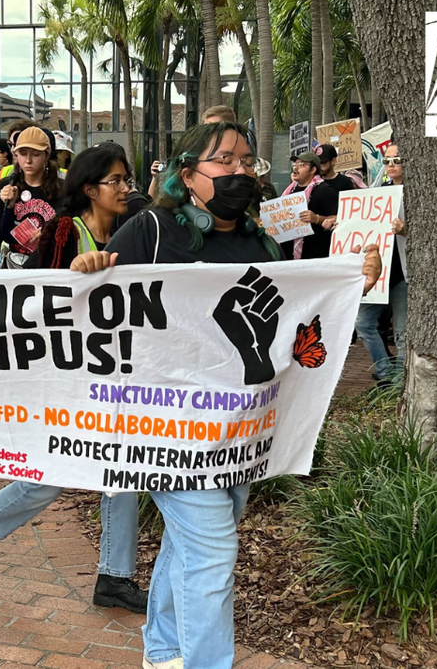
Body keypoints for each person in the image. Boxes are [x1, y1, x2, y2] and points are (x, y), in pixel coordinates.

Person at [68, 121, 382, 669]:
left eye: (246, 161)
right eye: (223, 160)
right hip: (162, 428)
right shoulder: (151, 229)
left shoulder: (260, 238)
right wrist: (86, 269)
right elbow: (90, 309)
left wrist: (355, 277)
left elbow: (295, 315)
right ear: (188, 175)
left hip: (238, 429)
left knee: (189, 543)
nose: (239, 170)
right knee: (212, 548)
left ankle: (162, 649)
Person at [0, 145, 150, 614]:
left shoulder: (128, 233)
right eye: (117, 181)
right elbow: (36, 301)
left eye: (127, 180)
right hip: (66, 377)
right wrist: (72, 274)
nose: (126, 188)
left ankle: (114, 578)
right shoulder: (64, 232)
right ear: (90, 189)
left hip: (112, 374)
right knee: (56, 471)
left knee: (122, 469)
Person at [356, 144, 409, 384]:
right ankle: (387, 373)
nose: (391, 165)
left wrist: (406, 230)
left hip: (403, 273)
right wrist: (343, 224)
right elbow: (360, 222)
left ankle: (403, 382)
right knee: (363, 323)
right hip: (378, 274)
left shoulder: (419, 193)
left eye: (397, 160)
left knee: (402, 332)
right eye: (387, 161)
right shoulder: (378, 192)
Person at [0, 126, 61, 267]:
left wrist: (49, 234)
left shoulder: (61, 188)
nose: (28, 161)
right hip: (15, 265)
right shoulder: (8, 184)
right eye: (23, 154)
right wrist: (9, 208)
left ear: (47, 155)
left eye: (35, 155)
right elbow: (3, 235)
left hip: (48, 265)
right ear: (16, 154)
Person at [292, 143, 354, 260]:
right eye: (295, 164)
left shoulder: (325, 190)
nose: (296, 168)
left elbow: (343, 218)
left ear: (313, 170)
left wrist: (317, 219)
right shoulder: (291, 190)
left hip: (317, 255)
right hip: (293, 257)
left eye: (302, 165)